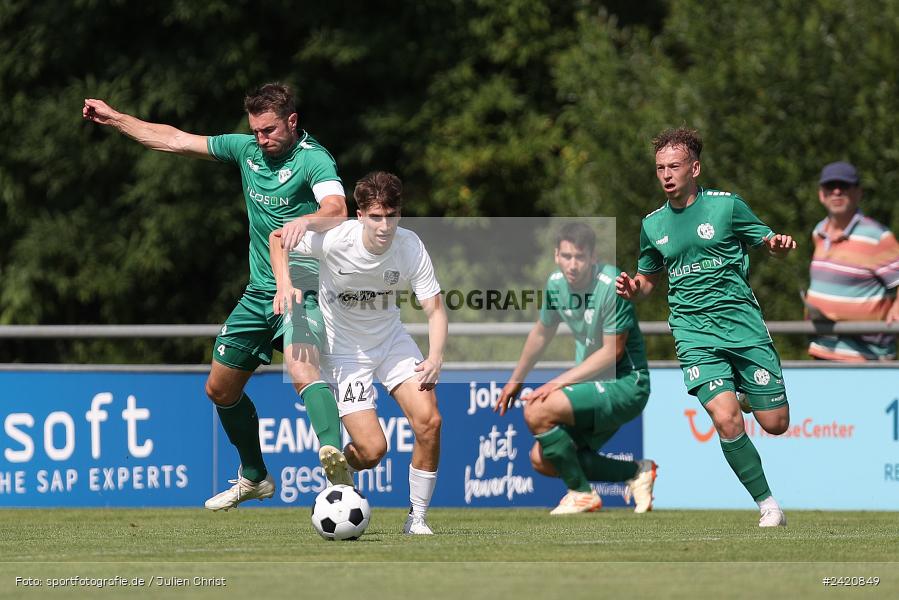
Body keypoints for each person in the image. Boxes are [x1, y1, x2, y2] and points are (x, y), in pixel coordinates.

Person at [83, 83, 352, 510]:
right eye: (256, 130)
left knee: (302, 371)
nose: (262, 139)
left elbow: (338, 207)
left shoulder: (312, 159)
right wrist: (116, 119)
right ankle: (255, 476)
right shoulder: (245, 150)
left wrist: (307, 220)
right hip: (258, 293)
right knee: (220, 389)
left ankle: (339, 475)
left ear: (292, 122)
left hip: (300, 286)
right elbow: (174, 139)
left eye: (269, 130)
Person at [616, 127, 796, 528]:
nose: (666, 174)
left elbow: (766, 241)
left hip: (743, 327)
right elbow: (648, 279)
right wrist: (633, 288)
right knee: (726, 418)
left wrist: (776, 246)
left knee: (776, 424)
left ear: (694, 168)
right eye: (660, 167)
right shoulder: (652, 225)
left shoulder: (727, 207)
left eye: (674, 166)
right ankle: (768, 506)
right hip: (693, 333)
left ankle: (748, 391)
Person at [270, 171, 447, 534]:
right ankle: (343, 468)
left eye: (392, 215)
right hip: (345, 352)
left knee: (430, 423)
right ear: (361, 215)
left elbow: (435, 309)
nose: (385, 226)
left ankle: (417, 519)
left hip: (392, 343)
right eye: (376, 217)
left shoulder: (410, 247)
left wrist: (436, 356)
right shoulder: (335, 239)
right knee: (372, 450)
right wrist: (285, 284)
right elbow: (277, 238)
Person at [494, 223, 657, 515]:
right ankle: (635, 472)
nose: (573, 264)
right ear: (556, 255)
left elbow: (612, 352)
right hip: (594, 385)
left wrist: (556, 383)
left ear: (593, 257)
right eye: (566, 256)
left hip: (627, 385)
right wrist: (516, 379)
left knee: (536, 410)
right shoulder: (556, 284)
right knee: (542, 459)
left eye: (579, 257)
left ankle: (582, 494)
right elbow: (541, 333)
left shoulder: (611, 285)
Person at [805, 161, 899, 361]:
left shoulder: (877, 236)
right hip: (823, 351)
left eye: (844, 186)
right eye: (831, 187)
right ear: (822, 194)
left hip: (866, 358)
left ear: (858, 192)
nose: (837, 192)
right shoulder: (818, 231)